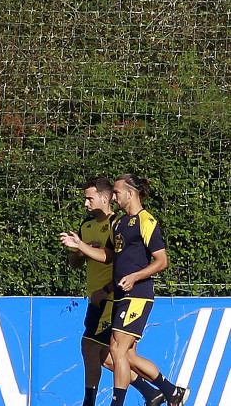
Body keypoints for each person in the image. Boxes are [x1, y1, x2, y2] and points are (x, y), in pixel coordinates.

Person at [61, 174, 190, 406]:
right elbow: (109, 256)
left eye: (117, 192)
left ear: (130, 193)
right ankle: (170, 392)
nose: (115, 196)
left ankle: (115, 403)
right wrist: (80, 246)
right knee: (126, 355)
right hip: (121, 295)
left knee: (114, 349)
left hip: (138, 294)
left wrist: (134, 277)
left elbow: (162, 260)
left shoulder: (146, 221)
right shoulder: (120, 223)